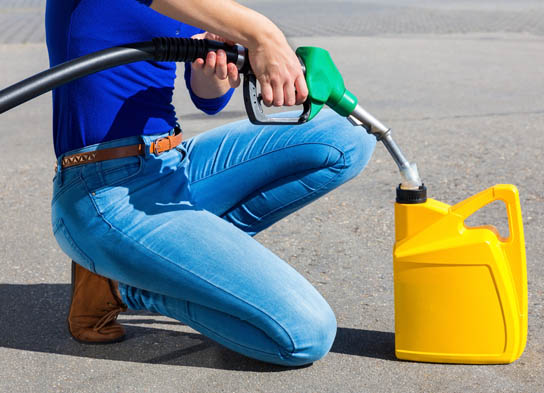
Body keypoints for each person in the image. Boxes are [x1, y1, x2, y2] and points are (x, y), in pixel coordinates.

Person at [48, 0, 375, 366]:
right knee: (306, 334)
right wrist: (264, 35)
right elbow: (253, 33)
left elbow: (208, 99)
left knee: (347, 136)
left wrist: (215, 70)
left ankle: (169, 260)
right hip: (103, 191)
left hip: (172, 163)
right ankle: (125, 287)